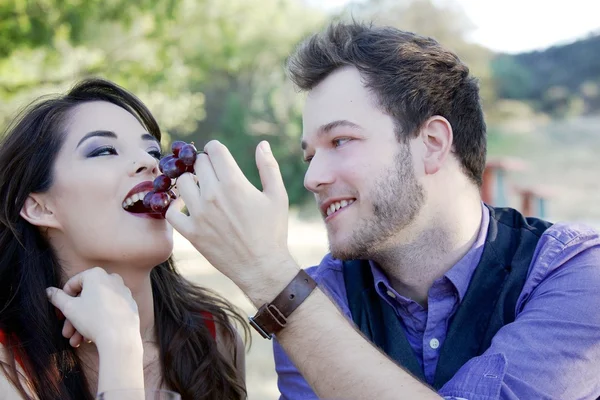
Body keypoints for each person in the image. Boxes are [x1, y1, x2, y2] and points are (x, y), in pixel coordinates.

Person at [165, 21, 600, 400]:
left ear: (431, 144)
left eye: (339, 141)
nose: (312, 177)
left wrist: (271, 275)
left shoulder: (573, 272)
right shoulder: (319, 302)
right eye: (310, 154)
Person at [0, 78, 248, 400]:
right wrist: (120, 349)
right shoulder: (10, 370)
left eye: (152, 150)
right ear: (39, 207)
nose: (150, 163)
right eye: (104, 150)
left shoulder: (213, 336)